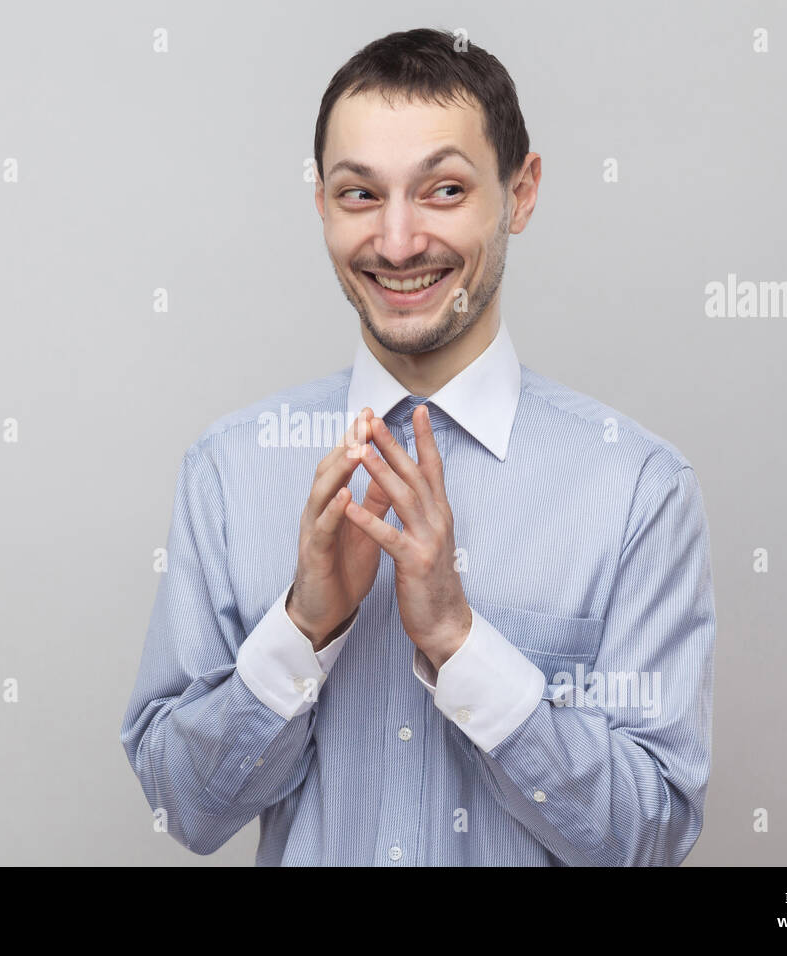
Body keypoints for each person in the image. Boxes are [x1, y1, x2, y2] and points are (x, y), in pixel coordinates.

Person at [120, 27, 716, 866]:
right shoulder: (228, 469)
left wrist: (461, 642)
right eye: (361, 195)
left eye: (442, 190)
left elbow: (651, 832)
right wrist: (305, 627)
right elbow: (185, 807)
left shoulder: (636, 488)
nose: (398, 243)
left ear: (521, 192)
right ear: (321, 204)